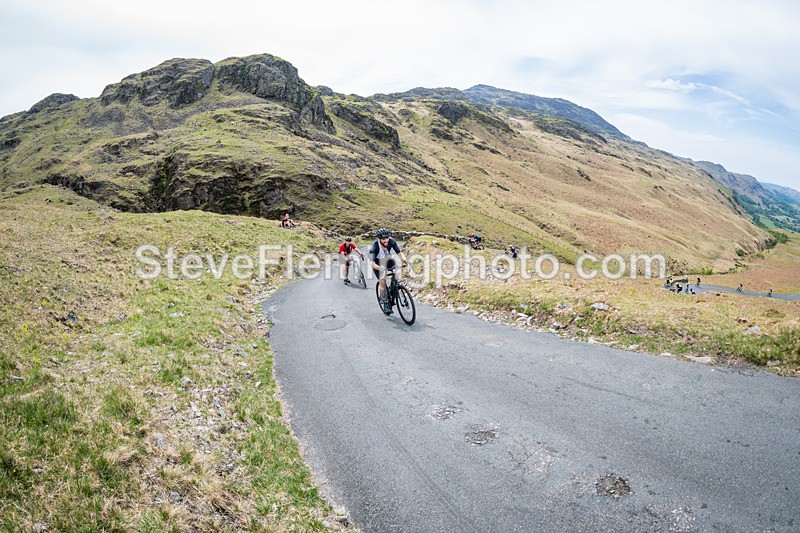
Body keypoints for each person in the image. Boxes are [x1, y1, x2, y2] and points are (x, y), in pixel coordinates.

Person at [370, 228, 407, 315]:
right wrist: (381, 269)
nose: (386, 240)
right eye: (383, 239)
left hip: (388, 260)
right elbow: (372, 264)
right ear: (378, 239)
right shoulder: (374, 246)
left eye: (387, 238)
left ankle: (392, 288)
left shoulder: (391, 241)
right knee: (382, 281)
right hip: (377, 264)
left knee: (396, 273)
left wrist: (405, 260)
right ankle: (385, 302)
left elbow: (399, 253)